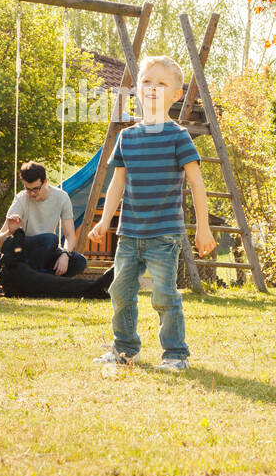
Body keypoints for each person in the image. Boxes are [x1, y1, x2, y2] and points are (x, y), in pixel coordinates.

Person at [88, 56, 216, 371]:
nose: (153, 89)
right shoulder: (127, 137)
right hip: (129, 233)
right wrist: (105, 221)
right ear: (137, 89)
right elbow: (117, 184)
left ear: (176, 95)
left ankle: (175, 355)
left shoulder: (178, 136)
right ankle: (125, 351)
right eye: (147, 82)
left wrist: (203, 229)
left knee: (163, 295)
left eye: (162, 84)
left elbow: (197, 185)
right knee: (120, 291)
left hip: (165, 234)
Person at [0, 161, 87, 278]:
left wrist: (65, 255)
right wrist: (10, 231)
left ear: (45, 182)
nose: (32, 193)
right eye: (28, 189)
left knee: (79, 262)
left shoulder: (61, 197)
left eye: (35, 189)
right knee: (50, 239)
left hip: (47, 250)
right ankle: (35, 280)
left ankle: (41, 281)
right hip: (25, 253)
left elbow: (70, 236)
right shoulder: (21, 198)